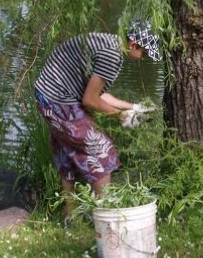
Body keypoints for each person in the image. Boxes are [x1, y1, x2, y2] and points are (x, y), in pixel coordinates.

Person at [33, 19, 161, 217]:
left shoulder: (108, 43)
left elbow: (97, 94)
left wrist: (133, 107)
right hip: (60, 101)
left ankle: (71, 217)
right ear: (134, 44)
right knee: (102, 150)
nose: (143, 57)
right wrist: (120, 116)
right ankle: (105, 216)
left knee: (68, 155)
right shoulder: (113, 56)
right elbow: (90, 100)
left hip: (47, 96)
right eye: (143, 52)